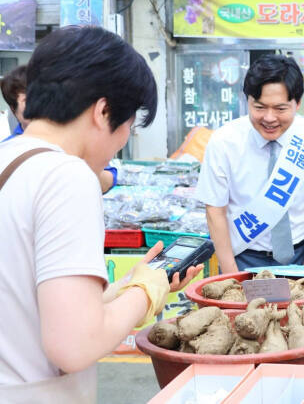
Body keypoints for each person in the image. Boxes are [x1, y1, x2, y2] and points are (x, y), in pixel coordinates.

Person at [0, 26, 202, 402]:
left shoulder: (10, 159)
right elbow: (75, 344)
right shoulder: (67, 176)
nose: (123, 140)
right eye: (129, 124)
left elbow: (25, 305)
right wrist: (147, 291)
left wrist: (123, 290)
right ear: (103, 110)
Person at [196, 54, 304, 273]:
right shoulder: (224, 141)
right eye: (259, 107)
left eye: (280, 109)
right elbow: (215, 210)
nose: (269, 118)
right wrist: (230, 273)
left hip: (299, 255)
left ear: (297, 103)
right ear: (246, 100)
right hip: (243, 258)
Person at [0, 65, 118, 193]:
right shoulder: (7, 150)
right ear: (13, 109)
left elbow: (110, 178)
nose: (39, 103)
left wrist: (79, 163)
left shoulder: (74, 136)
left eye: (42, 96)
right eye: (28, 99)